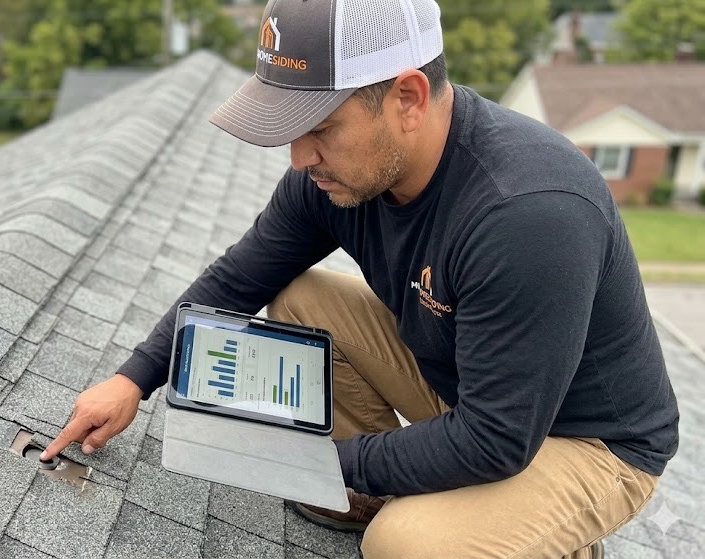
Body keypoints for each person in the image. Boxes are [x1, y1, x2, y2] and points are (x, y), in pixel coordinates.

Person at [42, 0, 679, 556]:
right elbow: (239, 278)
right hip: (471, 384)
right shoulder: (337, 174)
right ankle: (382, 490)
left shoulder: (527, 212)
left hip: (582, 441)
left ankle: (545, 541)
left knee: (405, 546)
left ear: (407, 98)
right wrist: (134, 378)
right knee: (298, 294)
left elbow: (496, 439)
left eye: (320, 129)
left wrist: (305, 462)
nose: (299, 158)